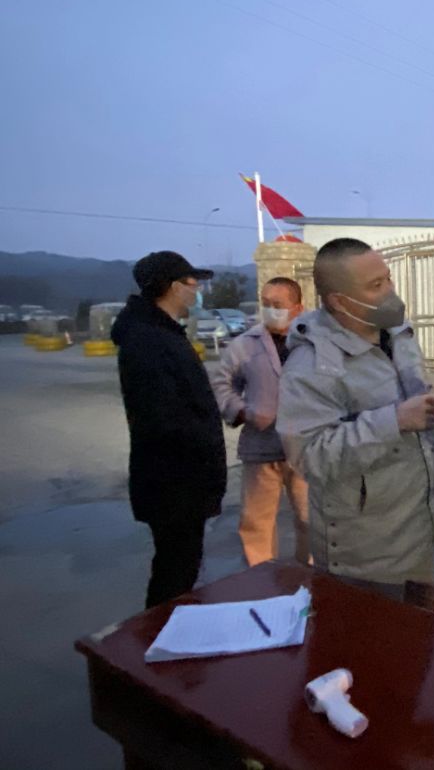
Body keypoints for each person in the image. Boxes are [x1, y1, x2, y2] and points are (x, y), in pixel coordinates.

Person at [276, 238, 434, 611]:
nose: (391, 291)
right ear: (340, 301)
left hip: (419, 535)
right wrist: (395, 421)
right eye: (376, 285)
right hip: (365, 556)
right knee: (373, 644)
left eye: (388, 278)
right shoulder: (311, 366)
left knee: (424, 641)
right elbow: (309, 457)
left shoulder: (398, 335)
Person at [111, 251, 226, 609]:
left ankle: (171, 627)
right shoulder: (147, 339)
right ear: (174, 287)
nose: (197, 291)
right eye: (193, 284)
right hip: (175, 481)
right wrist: (200, 454)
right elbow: (163, 417)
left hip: (182, 478)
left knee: (181, 567)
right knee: (174, 573)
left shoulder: (160, 332)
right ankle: (160, 634)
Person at [211, 277, 309, 567]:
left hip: (305, 446)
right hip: (261, 445)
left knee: (311, 520)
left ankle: (311, 576)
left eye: (277, 304)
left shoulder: (313, 344)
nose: (270, 310)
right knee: (256, 521)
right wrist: (242, 411)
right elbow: (220, 384)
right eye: (265, 303)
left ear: (298, 308)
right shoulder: (245, 345)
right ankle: (260, 579)